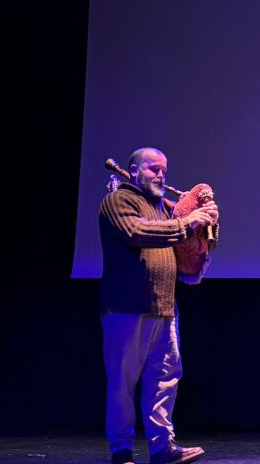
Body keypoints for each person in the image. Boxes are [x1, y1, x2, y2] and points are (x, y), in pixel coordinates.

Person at [98, 147, 218, 464]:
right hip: (127, 306)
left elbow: (182, 251)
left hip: (165, 307)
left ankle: (161, 447)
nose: (160, 175)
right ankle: (121, 450)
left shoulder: (162, 208)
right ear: (134, 170)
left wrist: (203, 229)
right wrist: (186, 223)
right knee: (123, 383)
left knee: (164, 379)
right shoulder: (118, 202)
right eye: (153, 169)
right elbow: (137, 231)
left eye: (164, 169)